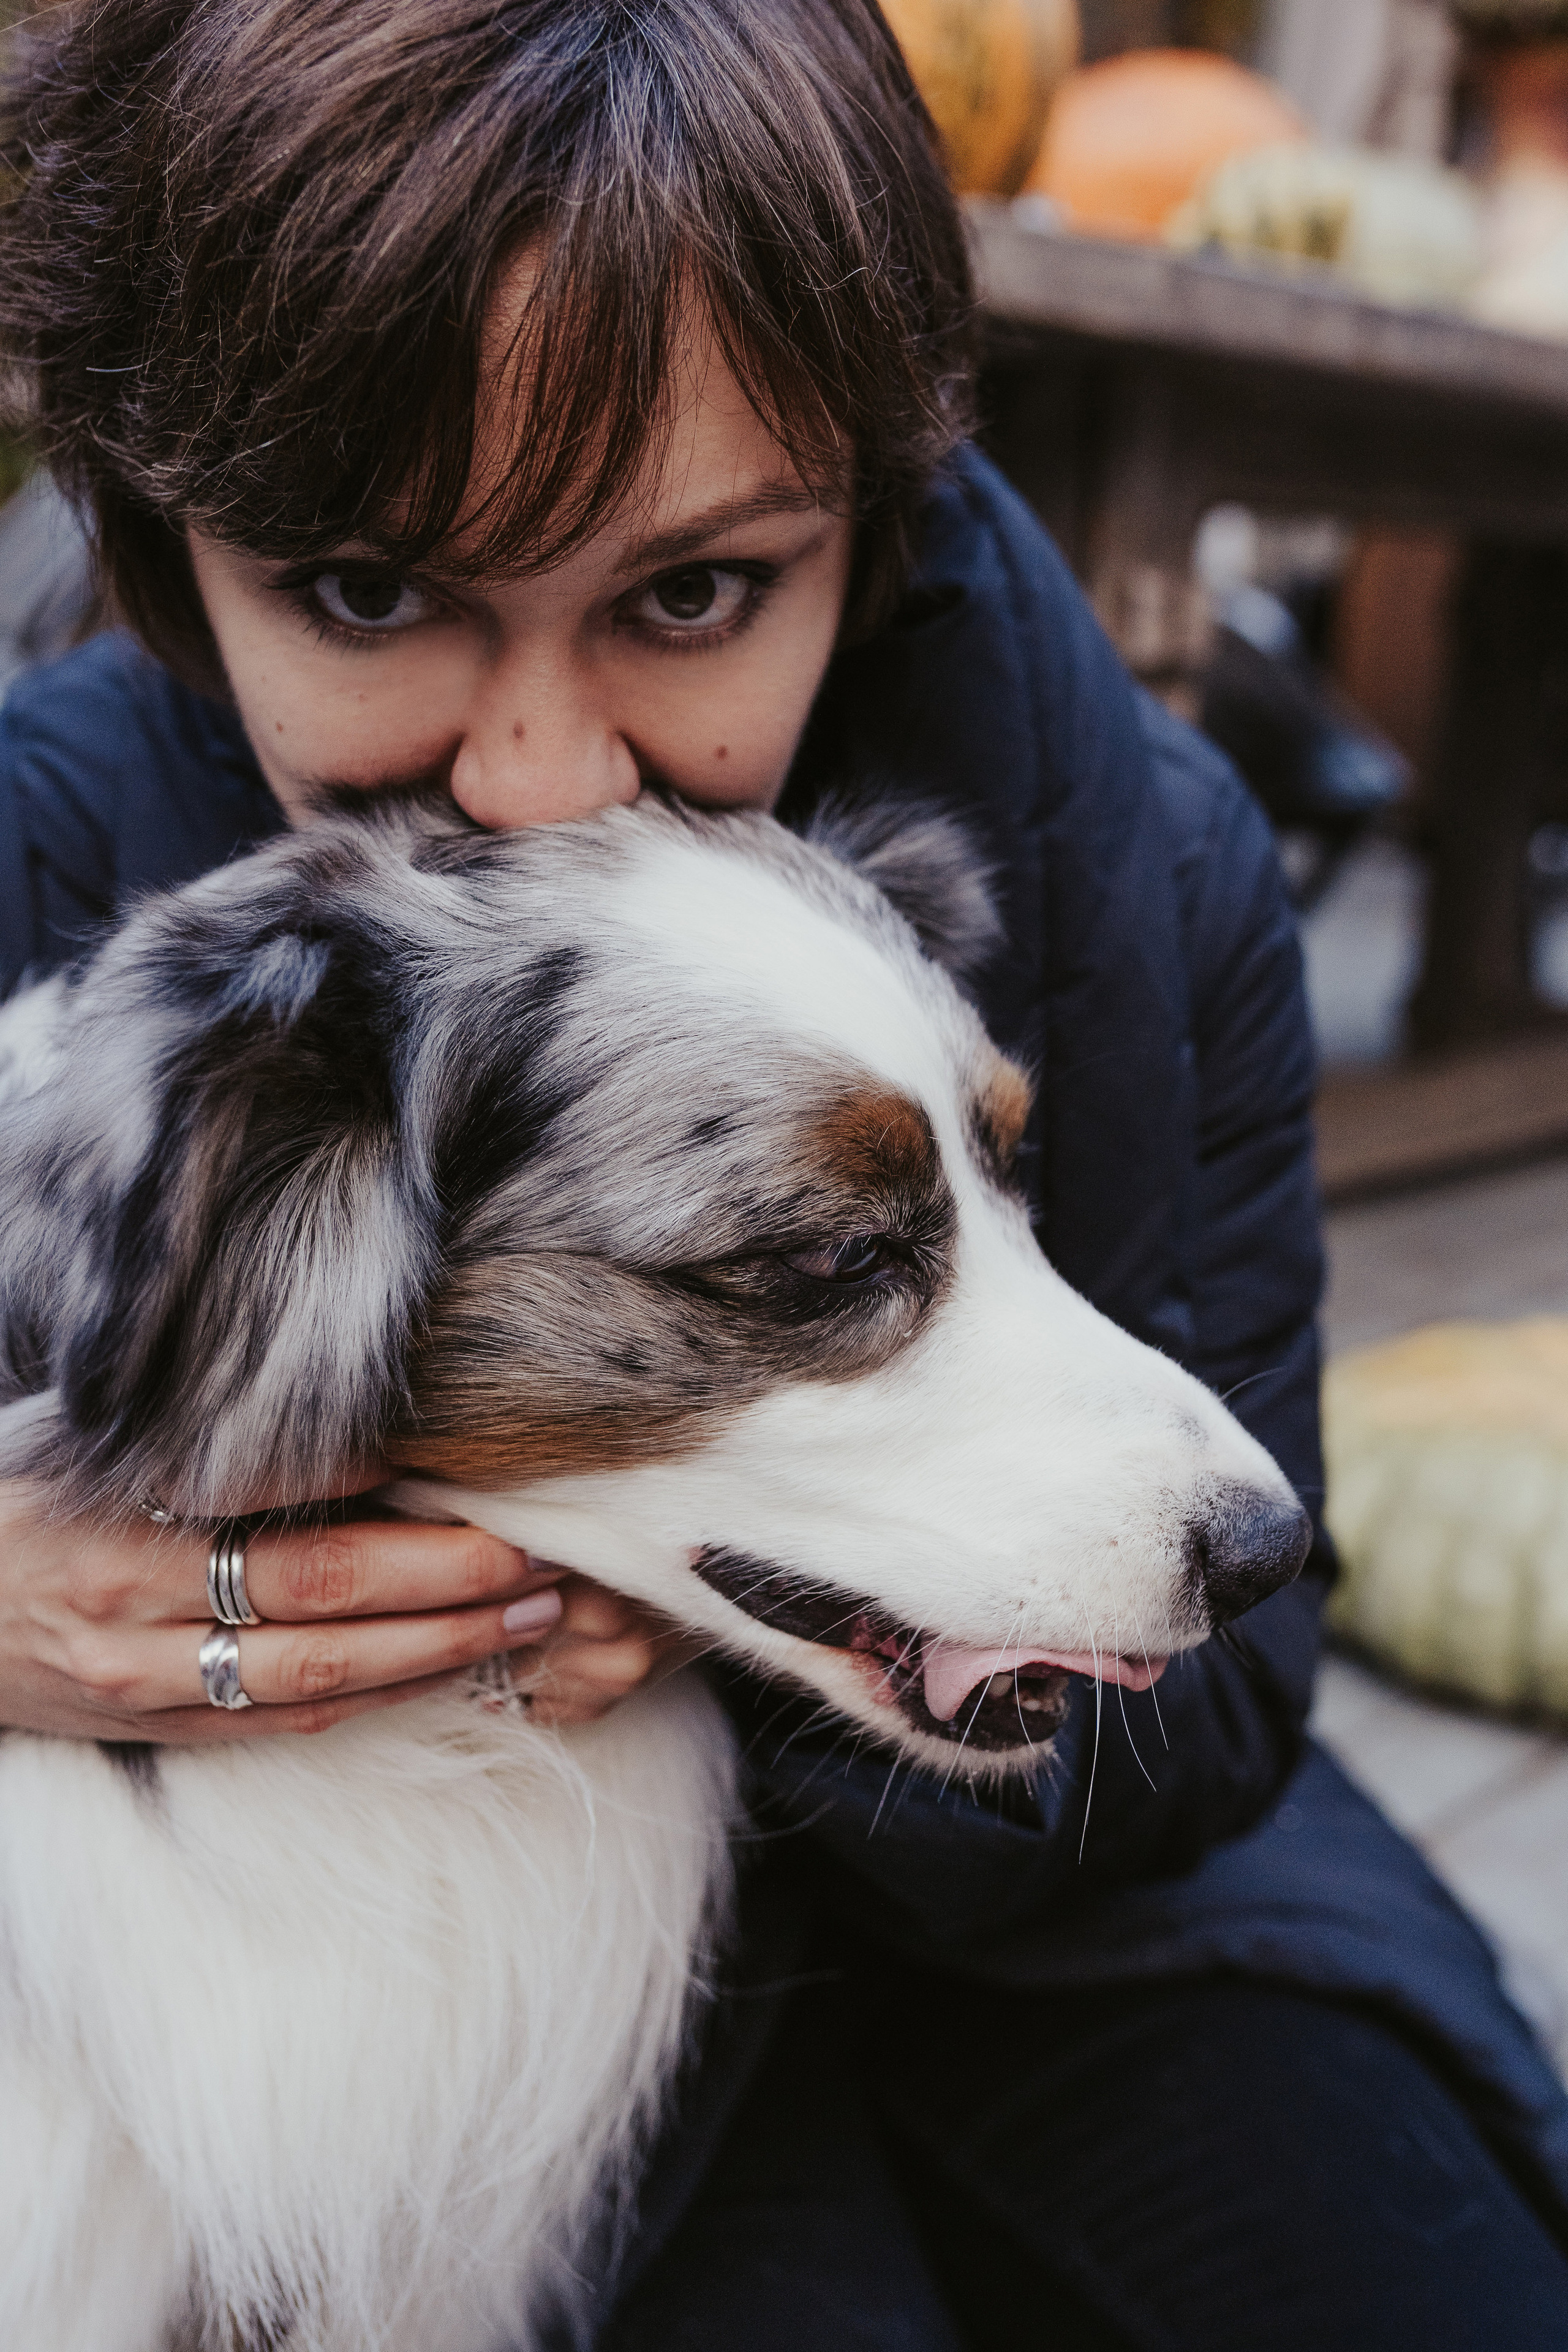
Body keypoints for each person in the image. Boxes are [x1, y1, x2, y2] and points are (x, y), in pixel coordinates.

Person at [2, 4, 1567, 2345]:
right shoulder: (45, 833)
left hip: (1039, 1895)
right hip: (455, 1965)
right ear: (153, 537)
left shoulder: (1148, 857)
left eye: (693, 590)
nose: (540, 778)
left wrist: (677, 1612)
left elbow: (1221, 1699)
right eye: (361, 590)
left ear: (872, 517)